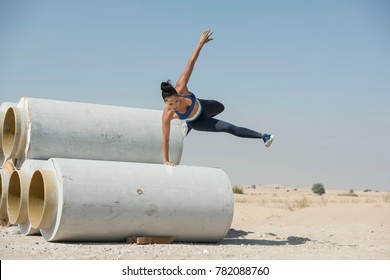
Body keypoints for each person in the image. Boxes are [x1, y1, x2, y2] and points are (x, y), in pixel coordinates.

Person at [161, 30, 274, 166]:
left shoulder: (181, 86)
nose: (175, 106)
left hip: (203, 105)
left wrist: (201, 43)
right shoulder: (167, 115)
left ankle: (186, 125)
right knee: (229, 128)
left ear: (178, 94)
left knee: (221, 107)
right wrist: (166, 160)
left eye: (176, 101)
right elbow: (165, 139)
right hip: (198, 121)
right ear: (166, 104)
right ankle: (263, 136)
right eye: (171, 105)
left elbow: (191, 63)